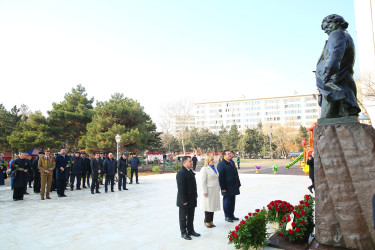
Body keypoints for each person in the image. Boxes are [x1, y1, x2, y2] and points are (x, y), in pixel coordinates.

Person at [315, 14, 360, 118]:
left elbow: (336, 52)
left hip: (334, 85)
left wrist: (329, 68)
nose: (325, 30)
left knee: (327, 118)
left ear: (336, 23)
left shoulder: (337, 34)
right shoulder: (346, 35)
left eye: (327, 26)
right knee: (343, 115)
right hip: (342, 84)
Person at [176, 156, 200, 240]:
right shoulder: (181, 173)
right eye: (190, 161)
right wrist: (184, 200)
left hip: (192, 198)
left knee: (191, 216)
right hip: (185, 200)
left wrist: (195, 195)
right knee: (183, 217)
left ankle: (190, 230)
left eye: (191, 161)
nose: (192, 162)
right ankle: (183, 232)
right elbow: (181, 188)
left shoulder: (190, 171)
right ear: (184, 163)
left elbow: (193, 185)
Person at [217, 150, 241, 223]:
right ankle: (227, 216)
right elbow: (221, 177)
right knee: (227, 202)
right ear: (224, 155)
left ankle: (231, 215)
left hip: (233, 185)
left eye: (230, 154)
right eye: (228, 154)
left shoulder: (232, 162)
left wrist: (238, 183)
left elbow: (235, 174)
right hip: (226, 187)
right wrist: (223, 188)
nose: (230, 155)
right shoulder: (221, 164)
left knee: (232, 201)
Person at [200, 156, 221, 228]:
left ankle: (211, 221)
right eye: (211, 160)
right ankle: (207, 221)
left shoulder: (215, 168)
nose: (213, 161)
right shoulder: (204, 169)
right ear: (207, 161)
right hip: (208, 190)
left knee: (213, 206)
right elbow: (203, 181)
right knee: (208, 206)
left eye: (213, 160)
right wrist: (204, 191)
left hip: (215, 190)